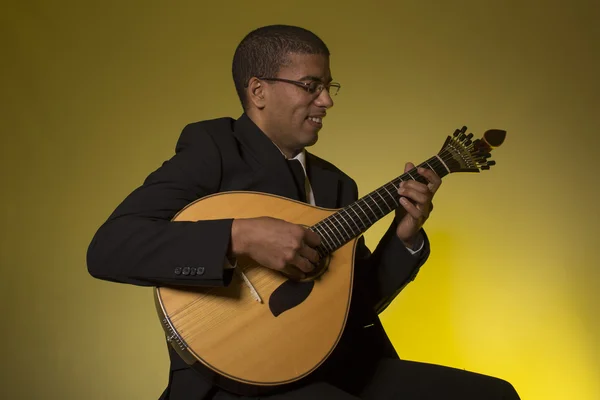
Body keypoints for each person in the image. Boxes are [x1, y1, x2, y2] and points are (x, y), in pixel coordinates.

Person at [86, 24, 520, 400]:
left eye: (327, 87)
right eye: (310, 86)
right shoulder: (214, 149)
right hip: (236, 380)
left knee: (495, 395)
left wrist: (404, 237)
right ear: (258, 90)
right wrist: (242, 235)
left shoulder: (337, 184)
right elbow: (109, 248)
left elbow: (357, 301)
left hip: (336, 365)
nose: (326, 101)